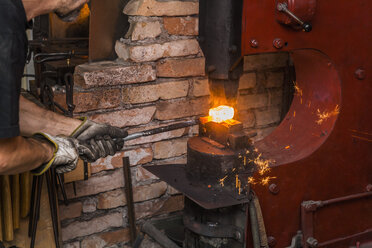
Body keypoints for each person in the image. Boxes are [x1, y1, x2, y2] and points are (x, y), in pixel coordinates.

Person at [0, 0, 128, 175]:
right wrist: (51, 150)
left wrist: (75, 130)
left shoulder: (7, 14)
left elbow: (6, 108)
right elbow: (4, 156)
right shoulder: (6, 30)